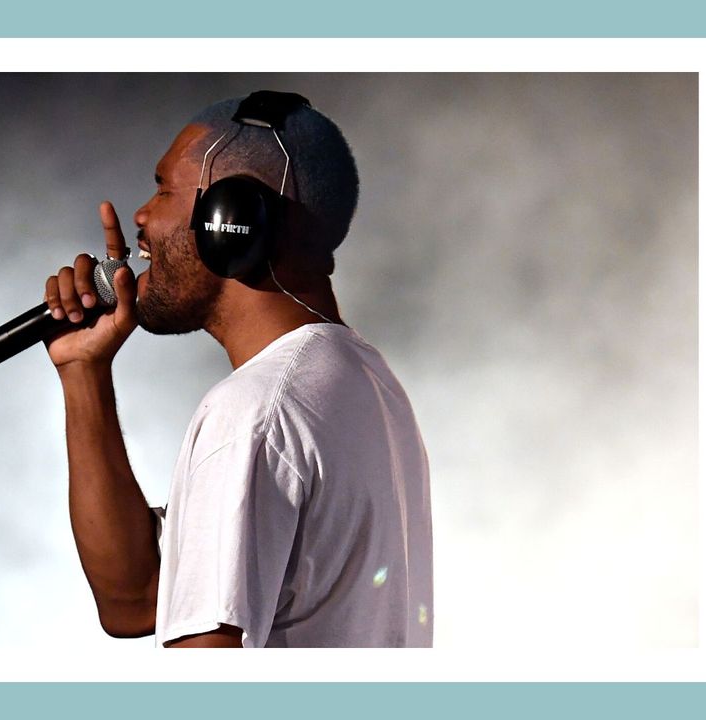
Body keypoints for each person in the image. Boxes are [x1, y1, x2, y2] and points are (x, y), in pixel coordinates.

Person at [41, 91, 432, 648]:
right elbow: (137, 599)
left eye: (163, 189)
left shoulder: (257, 412)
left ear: (232, 218)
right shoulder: (361, 382)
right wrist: (84, 369)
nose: (141, 218)